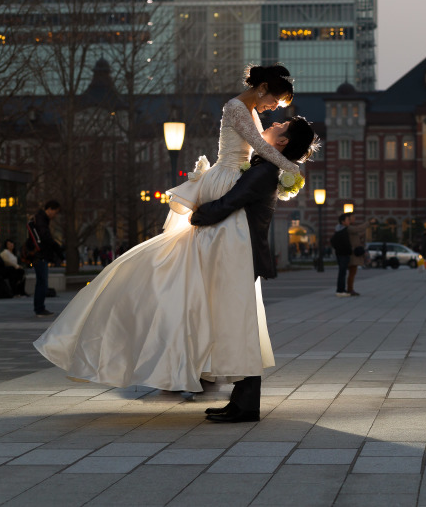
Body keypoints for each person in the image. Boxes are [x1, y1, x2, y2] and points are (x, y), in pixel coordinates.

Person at [34, 64, 305, 399]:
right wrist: (292, 169)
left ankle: (199, 361)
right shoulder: (236, 107)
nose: (274, 108)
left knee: (199, 277)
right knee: (195, 273)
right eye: (275, 101)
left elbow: (259, 152)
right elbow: (261, 148)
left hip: (229, 181)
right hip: (224, 182)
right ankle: (194, 361)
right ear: (262, 88)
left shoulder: (248, 110)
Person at [190, 116, 317, 422]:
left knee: (242, 328)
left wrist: (196, 214)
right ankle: (241, 400)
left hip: (240, 256)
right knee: (240, 326)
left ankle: (246, 405)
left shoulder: (263, 171)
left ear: (282, 142)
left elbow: (231, 202)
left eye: (281, 125)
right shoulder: (264, 168)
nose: (274, 123)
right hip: (240, 254)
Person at [31, 200, 62, 316]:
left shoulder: (40, 218)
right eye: (56, 212)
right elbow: (45, 237)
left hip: (40, 254)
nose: (55, 215)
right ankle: (39, 308)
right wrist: (57, 248)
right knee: (42, 282)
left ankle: (39, 307)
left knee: (41, 282)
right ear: (50, 209)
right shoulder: (41, 219)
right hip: (40, 255)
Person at [344, 213, 372, 296]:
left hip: (354, 253)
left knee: (353, 272)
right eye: (353, 217)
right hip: (353, 254)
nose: (354, 219)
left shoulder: (350, 228)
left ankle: (350, 288)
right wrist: (368, 223)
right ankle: (350, 289)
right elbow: (358, 229)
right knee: (352, 273)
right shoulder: (349, 228)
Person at [331, 213, 352, 297]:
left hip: (341, 253)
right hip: (343, 254)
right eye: (348, 220)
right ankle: (340, 290)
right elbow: (335, 241)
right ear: (343, 222)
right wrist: (348, 250)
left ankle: (341, 289)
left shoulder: (339, 230)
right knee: (342, 272)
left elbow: (333, 241)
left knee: (342, 272)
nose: (349, 221)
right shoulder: (342, 231)